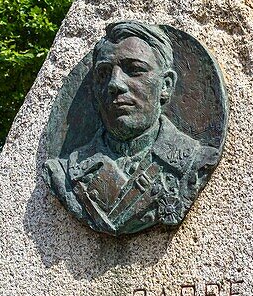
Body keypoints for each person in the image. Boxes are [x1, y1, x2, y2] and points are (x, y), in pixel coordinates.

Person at [45, 21, 220, 235]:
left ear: (166, 86)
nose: (114, 84)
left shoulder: (196, 161)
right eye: (104, 73)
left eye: (134, 70)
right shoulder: (63, 173)